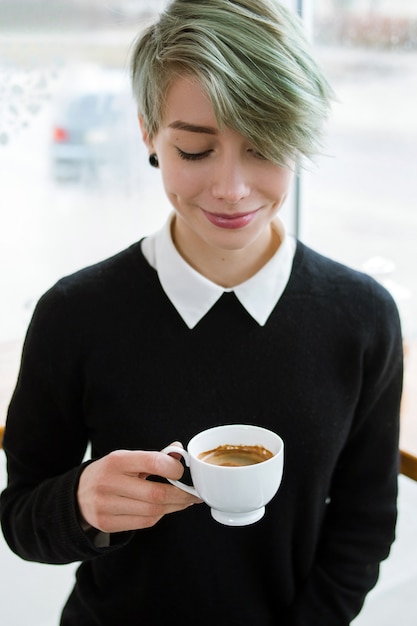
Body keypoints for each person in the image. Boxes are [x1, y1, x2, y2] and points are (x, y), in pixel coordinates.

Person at [0, 1, 403, 624]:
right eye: (194, 150)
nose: (232, 189)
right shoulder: (74, 314)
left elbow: (364, 525)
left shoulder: (362, 318)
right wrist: (80, 504)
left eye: (265, 146)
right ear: (148, 133)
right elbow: (22, 519)